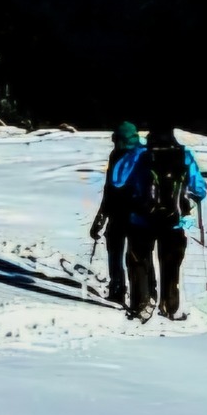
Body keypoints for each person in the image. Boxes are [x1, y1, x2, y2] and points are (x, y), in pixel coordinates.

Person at [110, 122, 207, 321]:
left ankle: (141, 304)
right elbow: (199, 189)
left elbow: (117, 180)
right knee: (171, 264)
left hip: (140, 219)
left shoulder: (139, 154)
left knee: (139, 261)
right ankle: (170, 307)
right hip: (174, 221)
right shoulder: (184, 154)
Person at [87, 122, 145, 303]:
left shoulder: (122, 155)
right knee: (132, 255)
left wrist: (101, 216)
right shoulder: (142, 154)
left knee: (117, 252)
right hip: (137, 213)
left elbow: (110, 189)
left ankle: (119, 289)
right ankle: (139, 295)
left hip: (122, 212)